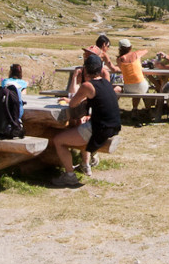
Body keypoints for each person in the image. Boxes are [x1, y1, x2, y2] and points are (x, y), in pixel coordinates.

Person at [50, 54, 121, 187]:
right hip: (113, 126)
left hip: (99, 129)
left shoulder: (87, 86)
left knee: (58, 140)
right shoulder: (105, 83)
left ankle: (70, 175)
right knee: (78, 128)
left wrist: (70, 98)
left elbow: (72, 104)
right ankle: (84, 164)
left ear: (85, 70)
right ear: (100, 69)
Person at [116, 39, 150, 112]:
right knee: (142, 86)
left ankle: (135, 110)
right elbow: (145, 51)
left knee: (136, 86)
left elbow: (120, 68)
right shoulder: (136, 54)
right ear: (130, 47)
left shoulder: (119, 59)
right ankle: (146, 109)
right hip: (141, 86)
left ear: (119, 49)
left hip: (128, 87)